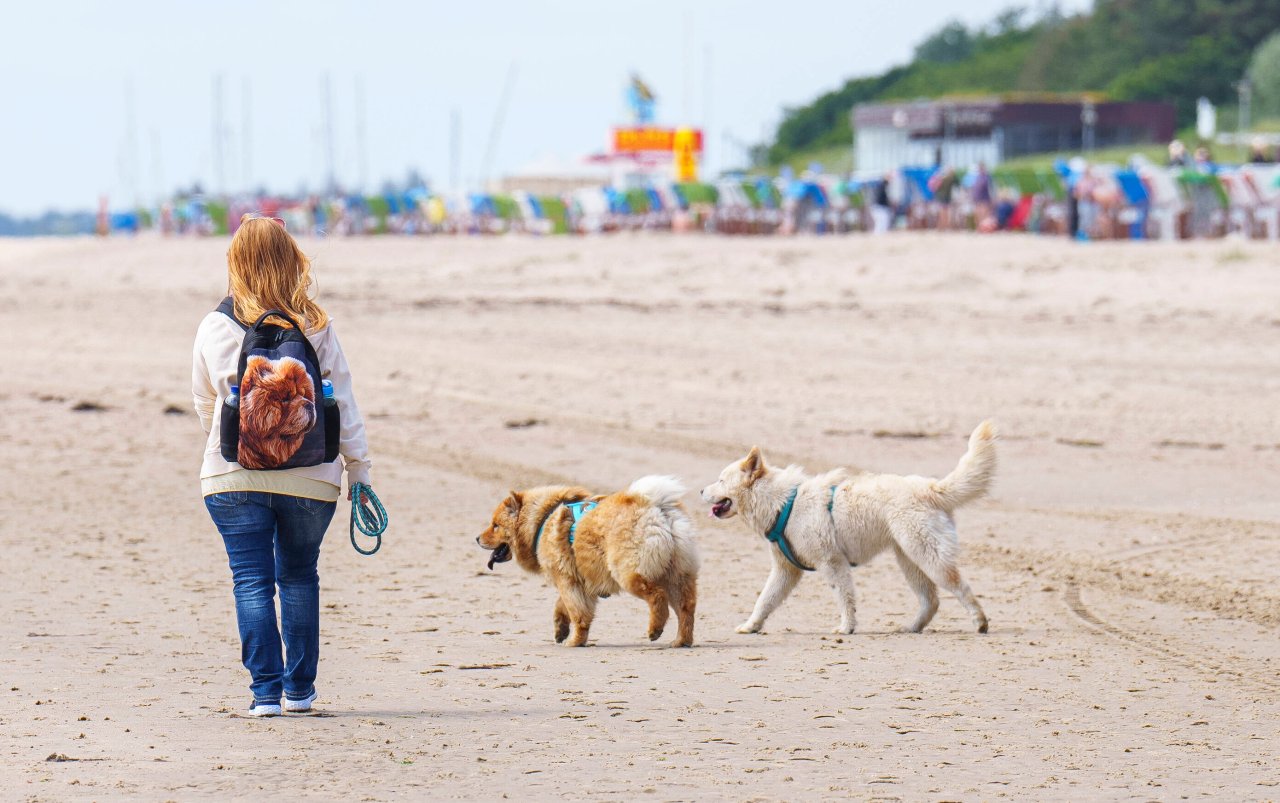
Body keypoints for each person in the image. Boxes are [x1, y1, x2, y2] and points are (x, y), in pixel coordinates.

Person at [192, 215, 373, 717]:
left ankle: (264, 695)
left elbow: (206, 404)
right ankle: (300, 692)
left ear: (235, 264)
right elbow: (345, 405)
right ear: (293, 261)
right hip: (311, 479)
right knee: (298, 577)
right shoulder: (315, 324)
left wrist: (232, 444)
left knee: (250, 580)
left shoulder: (215, 325)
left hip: (232, 476)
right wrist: (359, 469)